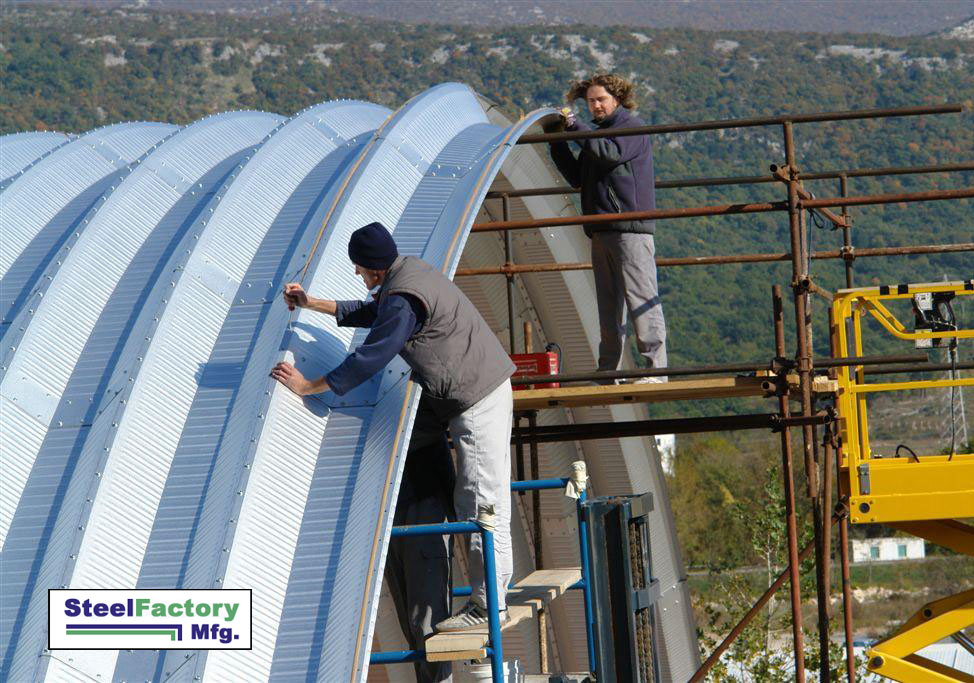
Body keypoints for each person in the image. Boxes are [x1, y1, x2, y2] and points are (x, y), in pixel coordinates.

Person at [271, 222, 515, 660]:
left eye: (360, 271)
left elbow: (374, 352)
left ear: (373, 269)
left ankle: (487, 605)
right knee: (483, 496)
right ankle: (494, 591)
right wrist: (313, 304)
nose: (360, 278)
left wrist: (310, 386)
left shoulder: (401, 299)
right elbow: (373, 312)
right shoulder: (408, 273)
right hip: (479, 390)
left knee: (480, 500)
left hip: (476, 398)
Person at [547, 73, 667, 382]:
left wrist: (576, 128)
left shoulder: (631, 128)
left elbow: (609, 153)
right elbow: (578, 177)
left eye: (600, 99)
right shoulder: (598, 136)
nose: (596, 106)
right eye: (590, 101)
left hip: (629, 229)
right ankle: (608, 370)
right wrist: (557, 141)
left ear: (617, 98)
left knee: (641, 298)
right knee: (608, 305)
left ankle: (656, 370)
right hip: (601, 229)